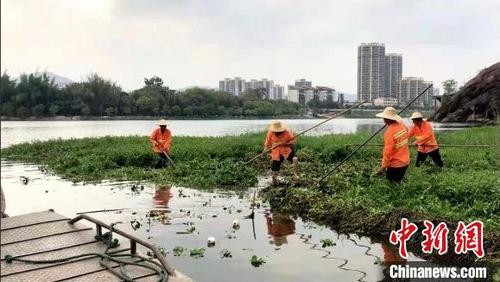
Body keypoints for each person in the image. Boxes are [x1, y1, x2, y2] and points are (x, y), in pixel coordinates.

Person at [375, 107, 410, 183]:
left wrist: (384, 166)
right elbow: (406, 129)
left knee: (391, 185)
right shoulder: (403, 126)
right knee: (398, 182)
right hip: (405, 162)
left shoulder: (389, 132)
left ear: (386, 119)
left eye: (384, 118)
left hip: (396, 164)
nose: (383, 119)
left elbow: (387, 151)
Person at [263, 121, 299, 186]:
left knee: (295, 159)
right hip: (276, 152)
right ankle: (275, 183)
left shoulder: (287, 131)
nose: (277, 132)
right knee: (274, 172)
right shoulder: (270, 132)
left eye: (278, 131)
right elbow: (267, 143)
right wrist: (264, 151)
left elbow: (293, 141)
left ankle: (295, 174)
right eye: (276, 131)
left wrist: (285, 143)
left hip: (286, 150)